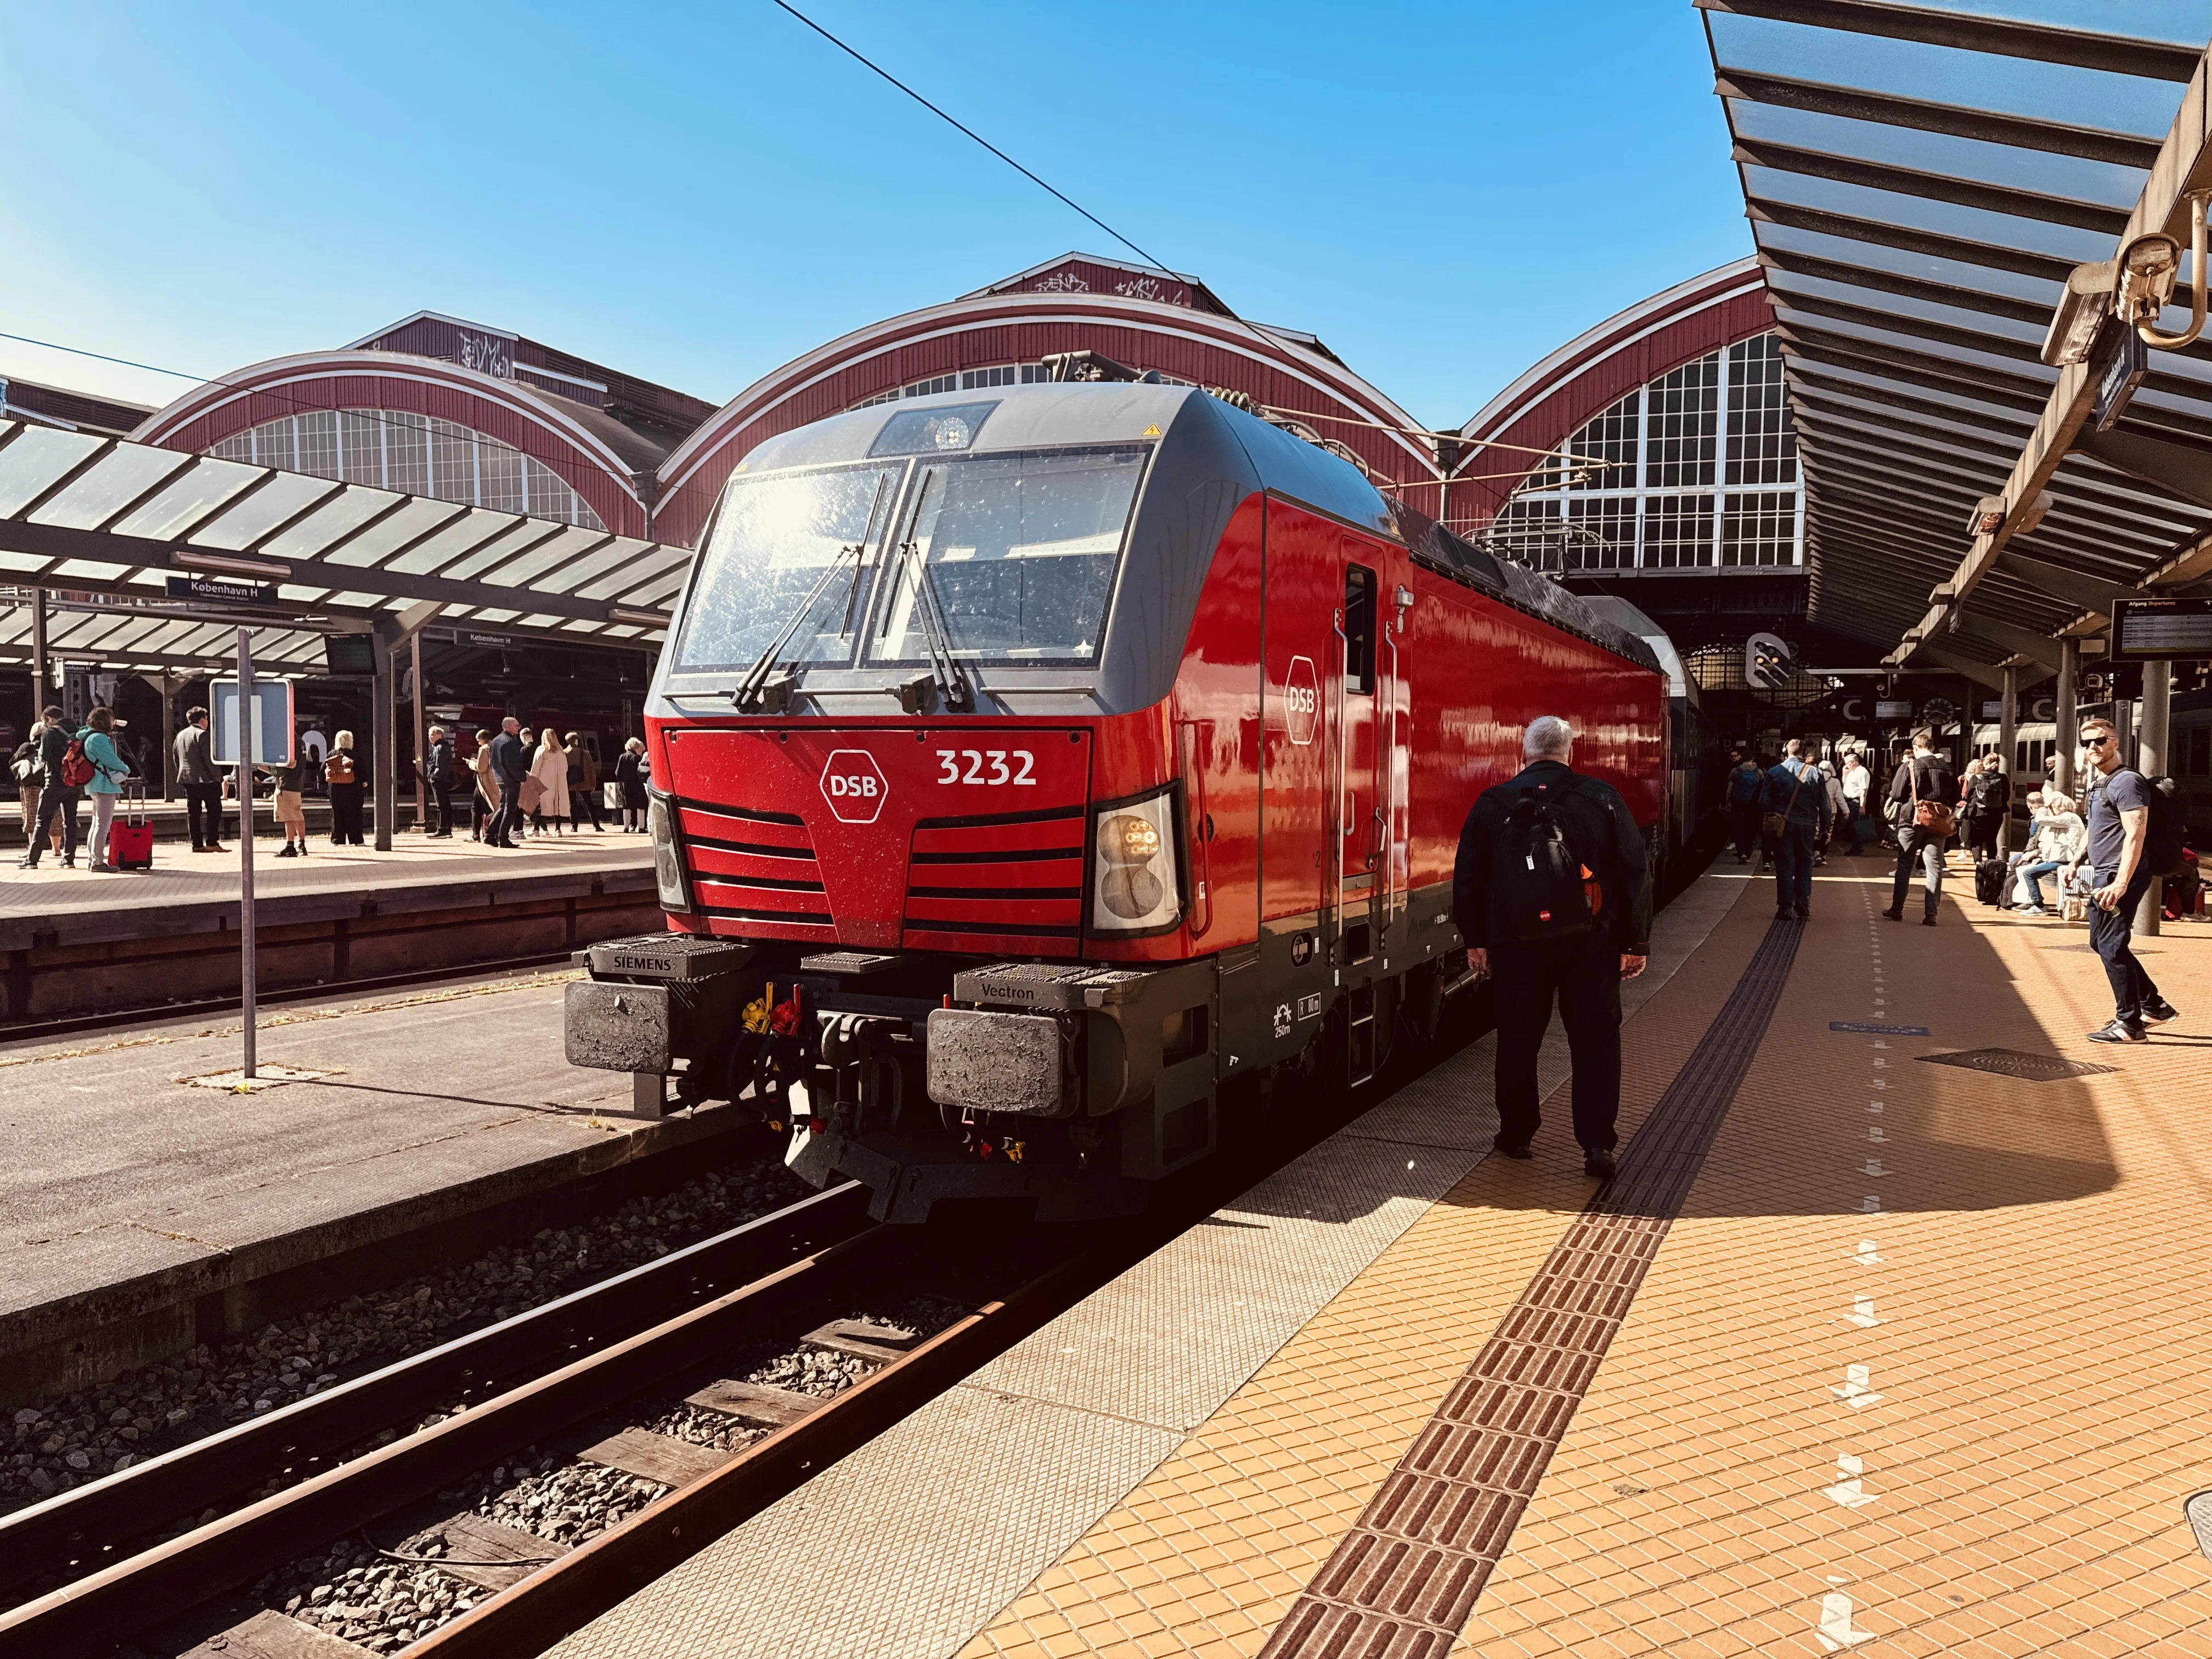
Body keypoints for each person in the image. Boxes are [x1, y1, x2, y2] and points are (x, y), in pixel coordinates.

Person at [1452, 715, 1651, 1180]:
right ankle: (1598, 1144)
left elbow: (1469, 880)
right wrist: (1635, 941)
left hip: (1517, 944)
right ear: (1570, 753)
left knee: (1519, 1038)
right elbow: (1633, 872)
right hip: (1592, 942)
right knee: (1596, 1040)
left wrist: (1476, 942)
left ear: (1523, 753)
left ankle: (1516, 1134)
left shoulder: (1493, 803)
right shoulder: (1602, 799)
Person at [2076, 715, 2178, 1042]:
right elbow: (2096, 828)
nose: (2093, 747)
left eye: (2100, 740)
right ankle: (2155, 1006)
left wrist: (2121, 883)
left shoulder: (2126, 782)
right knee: (2101, 943)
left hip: (2122, 875)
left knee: (2111, 945)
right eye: (2086, 743)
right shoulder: (2100, 783)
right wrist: (2075, 860)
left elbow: (2136, 834)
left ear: (2116, 742)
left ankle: (2129, 1024)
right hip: (2105, 873)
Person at [1882, 728, 1957, 926]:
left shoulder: (1910, 766)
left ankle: (1897, 909)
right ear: (1933, 748)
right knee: (1934, 867)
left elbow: (1897, 794)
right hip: (1938, 822)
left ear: (1916, 748)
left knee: (1905, 864)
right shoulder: (1949, 768)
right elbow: (1956, 798)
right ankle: (1931, 914)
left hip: (1912, 820)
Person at [1762, 747, 1831, 919]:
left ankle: (1785, 908)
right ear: (1805, 752)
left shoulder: (1774, 772)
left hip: (1783, 825)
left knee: (1785, 863)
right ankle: (1803, 903)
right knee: (1805, 862)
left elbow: (1763, 801)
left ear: (1786, 751)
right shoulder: (1816, 773)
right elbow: (1824, 804)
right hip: (1807, 824)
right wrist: (1825, 827)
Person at [19, 706, 80, 867]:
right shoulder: (76, 730)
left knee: (42, 820)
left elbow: (44, 757)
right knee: (70, 821)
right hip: (74, 782)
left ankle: (32, 860)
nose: (45, 725)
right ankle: (69, 860)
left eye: (44, 722)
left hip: (54, 782)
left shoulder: (50, 733)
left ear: (50, 719)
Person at [2015, 791, 2086, 916]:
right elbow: (2049, 844)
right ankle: (2033, 903)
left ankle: (2038, 905)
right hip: (2060, 858)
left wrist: (2043, 806)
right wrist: (2037, 854)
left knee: (2029, 874)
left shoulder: (2068, 817)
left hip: (2065, 860)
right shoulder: (2063, 820)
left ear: (2058, 807)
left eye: (2051, 807)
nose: (2049, 810)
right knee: (2026, 867)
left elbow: (2041, 819)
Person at [78, 707, 131, 873]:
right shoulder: (98, 738)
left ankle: (93, 859)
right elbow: (110, 759)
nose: (112, 723)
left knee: (96, 823)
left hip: (95, 783)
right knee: (103, 824)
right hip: (104, 784)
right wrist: (125, 769)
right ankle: (98, 862)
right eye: (110, 719)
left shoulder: (87, 736)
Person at [171, 705, 225, 853]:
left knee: (193, 812)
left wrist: (181, 773)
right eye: (206, 719)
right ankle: (212, 841)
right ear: (202, 720)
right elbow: (209, 760)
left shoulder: (180, 735)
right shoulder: (203, 735)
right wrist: (217, 778)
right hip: (205, 780)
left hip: (187, 779)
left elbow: (175, 757)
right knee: (215, 810)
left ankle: (197, 844)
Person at [486, 717, 529, 848]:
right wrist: (521, 778)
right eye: (516, 725)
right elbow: (513, 765)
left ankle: (490, 835)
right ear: (508, 726)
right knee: (510, 809)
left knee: (502, 807)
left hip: (500, 779)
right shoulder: (510, 742)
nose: (519, 727)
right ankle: (503, 838)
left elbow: (492, 762)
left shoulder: (495, 741)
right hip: (511, 780)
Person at [1963, 755, 2006, 863]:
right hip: (1997, 813)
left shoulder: (1976, 778)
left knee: (1977, 838)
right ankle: (1991, 862)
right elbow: (2006, 796)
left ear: (1986, 764)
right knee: (1991, 839)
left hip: (1978, 813)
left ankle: (1978, 862)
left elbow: (1968, 795)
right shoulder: (2003, 778)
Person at [325, 731, 365, 846]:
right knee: (354, 813)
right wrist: (364, 782)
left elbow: (323, 770)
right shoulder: (355, 755)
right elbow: (362, 772)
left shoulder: (331, 755)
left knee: (337, 813)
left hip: (335, 788)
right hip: (353, 788)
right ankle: (357, 840)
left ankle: (337, 840)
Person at [529, 729, 571, 835]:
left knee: (542, 806)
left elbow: (536, 768)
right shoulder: (561, 751)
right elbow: (566, 768)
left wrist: (532, 781)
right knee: (558, 805)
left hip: (544, 782)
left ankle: (537, 829)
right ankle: (558, 830)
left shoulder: (541, 750)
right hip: (560, 782)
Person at [270, 745, 309, 856]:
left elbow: (292, 764)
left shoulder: (290, 741)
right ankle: (301, 845)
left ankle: (290, 845)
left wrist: (268, 767)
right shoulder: (300, 742)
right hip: (296, 783)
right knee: (297, 813)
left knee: (289, 817)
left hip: (287, 783)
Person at [1728, 755, 1764, 865]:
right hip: (1753, 805)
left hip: (1738, 804)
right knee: (1750, 829)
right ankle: (1748, 853)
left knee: (1739, 828)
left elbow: (1730, 789)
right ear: (1753, 758)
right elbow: (1763, 789)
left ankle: (1742, 853)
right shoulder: (1759, 772)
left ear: (1742, 759)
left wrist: (1728, 802)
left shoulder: (1735, 771)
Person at [565, 732, 604, 832]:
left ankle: (574, 827)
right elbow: (591, 770)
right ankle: (596, 826)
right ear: (576, 741)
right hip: (584, 783)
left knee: (572, 804)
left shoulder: (564, 754)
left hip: (571, 783)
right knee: (589, 804)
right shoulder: (585, 753)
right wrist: (593, 784)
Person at [13, 715, 42, 845]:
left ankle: (32, 844)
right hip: (47, 783)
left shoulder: (26, 747)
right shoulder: (49, 745)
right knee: (55, 815)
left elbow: (13, 762)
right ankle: (56, 847)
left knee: (30, 814)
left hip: (29, 785)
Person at [423, 725, 455, 838]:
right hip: (443, 780)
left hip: (439, 781)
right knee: (445, 804)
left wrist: (433, 777)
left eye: (432, 735)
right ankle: (446, 829)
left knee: (441, 805)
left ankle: (442, 830)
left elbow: (440, 766)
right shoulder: (443, 747)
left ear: (438, 735)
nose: (430, 737)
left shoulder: (440, 748)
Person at [1841, 748, 1873, 853]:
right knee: (1851, 824)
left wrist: (1862, 806)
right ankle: (1855, 846)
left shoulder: (1863, 773)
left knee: (1856, 825)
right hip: (1849, 801)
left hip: (1856, 801)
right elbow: (1845, 784)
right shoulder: (1851, 771)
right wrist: (1845, 773)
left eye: (1847, 763)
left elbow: (1864, 791)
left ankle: (1857, 847)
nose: (1846, 765)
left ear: (1854, 762)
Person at [468, 727, 497, 841]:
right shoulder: (496, 746)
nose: (478, 743)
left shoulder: (484, 749)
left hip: (484, 783)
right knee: (491, 806)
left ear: (483, 740)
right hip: (495, 781)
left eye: (479, 740)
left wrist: (471, 763)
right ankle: (491, 832)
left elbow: (481, 767)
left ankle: (476, 834)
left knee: (475, 807)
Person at [616, 737, 648, 831]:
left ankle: (626, 827)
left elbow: (618, 773)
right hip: (637, 784)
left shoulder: (622, 756)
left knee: (627, 805)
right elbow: (640, 771)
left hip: (626, 784)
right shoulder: (636, 758)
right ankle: (641, 827)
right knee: (641, 804)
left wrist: (623, 781)